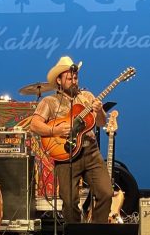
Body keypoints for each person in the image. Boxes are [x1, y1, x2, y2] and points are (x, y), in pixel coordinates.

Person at [29, 55, 112, 223]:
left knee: (106, 193)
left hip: (91, 152)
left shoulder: (87, 96)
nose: (74, 81)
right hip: (66, 156)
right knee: (69, 201)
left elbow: (101, 123)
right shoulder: (50, 101)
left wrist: (99, 111)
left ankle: (97, 233)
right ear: (59, 80)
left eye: (75, 78)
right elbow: (34, 125)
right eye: (69, 78)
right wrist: (55, 129)